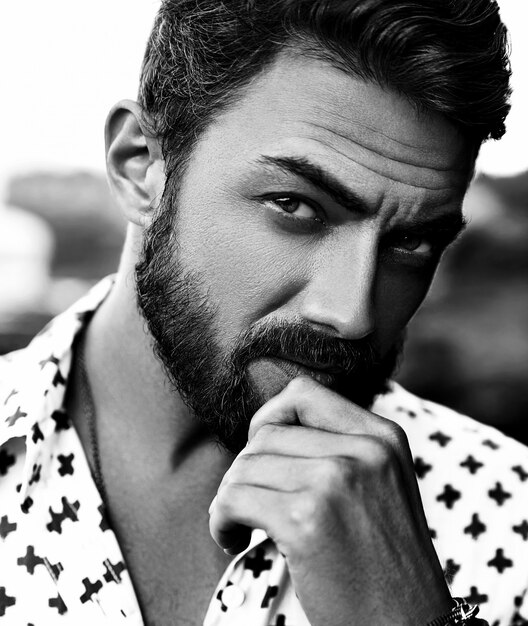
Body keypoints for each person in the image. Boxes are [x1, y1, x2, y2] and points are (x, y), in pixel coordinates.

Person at [1, 0, 527, 624]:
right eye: (295, 205)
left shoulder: (511, 518)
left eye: (411, 243)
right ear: (140, 165)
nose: (351, 313)